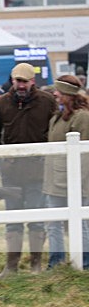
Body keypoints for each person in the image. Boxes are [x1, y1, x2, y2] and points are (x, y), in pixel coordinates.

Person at [0, 62, 57, 276]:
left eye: (24, 81)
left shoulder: (47, 102)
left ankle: (35, 264)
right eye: (16, 81)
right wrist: (1, 160)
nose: (20, 85)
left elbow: (54, 133)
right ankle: (11, 265)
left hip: (38, 171)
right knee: (13, 220)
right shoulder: (1, 104)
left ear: (32, 82)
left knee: (36, 219)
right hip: (11, 173)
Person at [43, 75, 89, 269]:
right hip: (55, 180)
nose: (55, 94)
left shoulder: (82, 117)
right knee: (53, 224)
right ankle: (56, 263)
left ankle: (85, 262)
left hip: (76, 181)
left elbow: (85, 154)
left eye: (59, 92)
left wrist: (79, 183)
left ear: (68, 95)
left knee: (82, 224)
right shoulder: (59, 115)